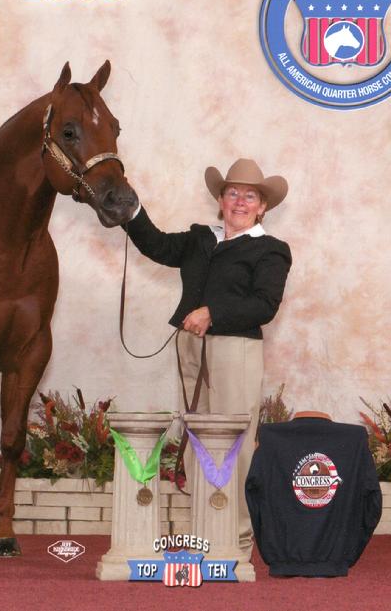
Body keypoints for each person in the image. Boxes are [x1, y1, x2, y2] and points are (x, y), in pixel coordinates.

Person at [123, 157, 291, 559]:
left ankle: (237, 540)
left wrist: (212, 312)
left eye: (249, 196)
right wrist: (131, 209)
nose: (240, 201)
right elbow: (156, 244)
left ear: (262, 207)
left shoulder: (271, 250)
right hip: (191, 346)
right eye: (233, 193)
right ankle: (206, 530)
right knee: (196, 439)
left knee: (235, 443)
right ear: (220, 200)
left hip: (236, 350)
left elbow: (264, 305)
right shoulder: (200, 238)